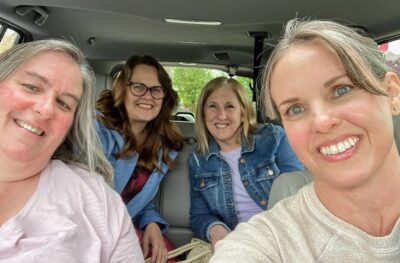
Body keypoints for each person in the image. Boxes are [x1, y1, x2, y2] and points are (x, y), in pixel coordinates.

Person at [210, 18, 400, 262]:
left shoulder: (269, 143)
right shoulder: (267, 242)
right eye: (295, 109)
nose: (322, 121)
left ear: (392, 94)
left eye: (342, 90)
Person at [0, 39, 143, 262]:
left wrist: (151, 221)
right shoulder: (103, 133)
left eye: (64, 103)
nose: (46, 109)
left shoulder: (99, 202)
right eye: (31, 86)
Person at [188, 76, 304, 250]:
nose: (221, 115)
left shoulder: (274, 138)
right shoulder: (198, 160)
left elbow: (299, 194)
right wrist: (216, 231)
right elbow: (199, 215)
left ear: (243, 112)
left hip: (281, 239)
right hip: (235, 243)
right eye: (212, 106)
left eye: (230, 106)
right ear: (203, 113)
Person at [96, 55, 183, 262]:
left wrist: (151, 223)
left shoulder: (163, 146)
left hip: (130, 225)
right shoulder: (98, 130)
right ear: (122, 90)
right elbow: (86, 199)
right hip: (97, 232)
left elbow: (137, 199)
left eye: (156, 90)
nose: (148, 96)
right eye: (138, 87)